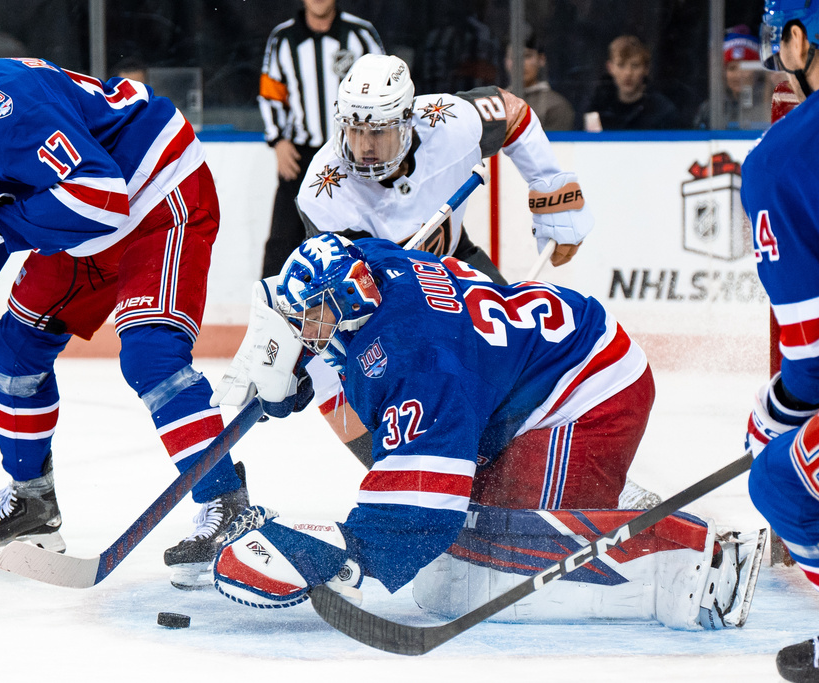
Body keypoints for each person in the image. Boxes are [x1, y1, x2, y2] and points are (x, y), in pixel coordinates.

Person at [209, 233, 765, 630]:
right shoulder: (370, 263)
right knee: (471, 520)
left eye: (313, 317)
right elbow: (335, 316)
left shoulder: (421, 363)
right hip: (533, 375)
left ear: (349, 304)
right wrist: (291, 363)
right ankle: (606, 496)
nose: (307, 329)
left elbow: (420, 513)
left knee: (497, 542)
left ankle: (700, 557)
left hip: (592, 393)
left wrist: (346, 552)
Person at [0, 9, 248, 589]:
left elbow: (103, 198)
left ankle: (228, 507)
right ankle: (33, 504)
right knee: (14, 347)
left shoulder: (11, 107)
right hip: (86, 224)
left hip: (156, 193)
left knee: (150, 355)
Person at [294, 53, 593, 468]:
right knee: (346, 374)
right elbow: (350, 299)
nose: (363, 147)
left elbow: (513, 113)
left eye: (378, 132)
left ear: (407, 120)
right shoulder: (324, 192)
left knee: (524, 356)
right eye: (354, 129)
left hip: (457, 264)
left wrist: (549, 185)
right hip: (387, 303)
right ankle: (404, 471)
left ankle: (559, 463)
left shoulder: (449, 123)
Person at [739, 2, 819, 680]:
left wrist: (780, 410)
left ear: (799, 39)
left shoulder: (781, 157)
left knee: (778, 476)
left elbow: (814, 358)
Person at [258, 0, 383, 278]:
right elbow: (271, 94)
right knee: (283, 239)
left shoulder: (360, 34)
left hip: (355, 153)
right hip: (301, 155)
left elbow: (385, 88)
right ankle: (271, 312)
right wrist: (278, 140)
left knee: (362, 235)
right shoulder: (283, 39)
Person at [584, 34, 680, 130]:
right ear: (610, 67)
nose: (628, 73)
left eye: (635, 65)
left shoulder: (663, 111)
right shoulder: (596, 107)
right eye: (621, 65)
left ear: (646, 69)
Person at [692, 28, 770, 130]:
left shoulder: (769, 105)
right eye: (732, 68)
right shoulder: (709, 109)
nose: (738, 75)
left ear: (757, 71)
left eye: (745, 67)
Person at [504, 34, 575, 131]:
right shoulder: (493, 103)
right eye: (513, 57)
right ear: (506, 62)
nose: (520, 63)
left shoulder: (556, 106)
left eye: (527, 56)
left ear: (541, 59)